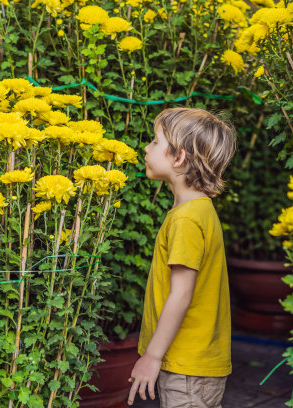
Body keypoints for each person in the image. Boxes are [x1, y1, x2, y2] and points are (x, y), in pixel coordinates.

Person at [127, 107, 237, 407]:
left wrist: (151, 357)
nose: (146, 147)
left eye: (155, 141)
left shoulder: (186, 220)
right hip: (194, 365)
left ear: (179, 158)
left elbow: (181, 294)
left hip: (186, 369)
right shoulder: (199, 210)